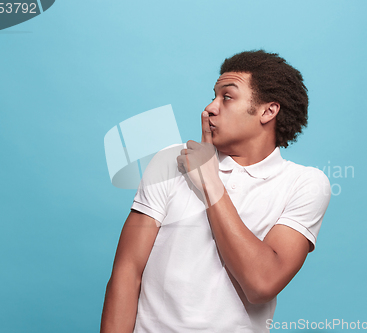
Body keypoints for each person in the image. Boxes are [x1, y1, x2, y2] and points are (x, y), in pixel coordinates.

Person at [100, 50, 331, 333]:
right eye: (213, 96)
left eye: (227, 97)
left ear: (268, 111)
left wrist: (210, 182)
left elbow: (262, 283)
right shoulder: (171, 161)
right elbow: (126, 272)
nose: (209, 108)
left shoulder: (304, 183)